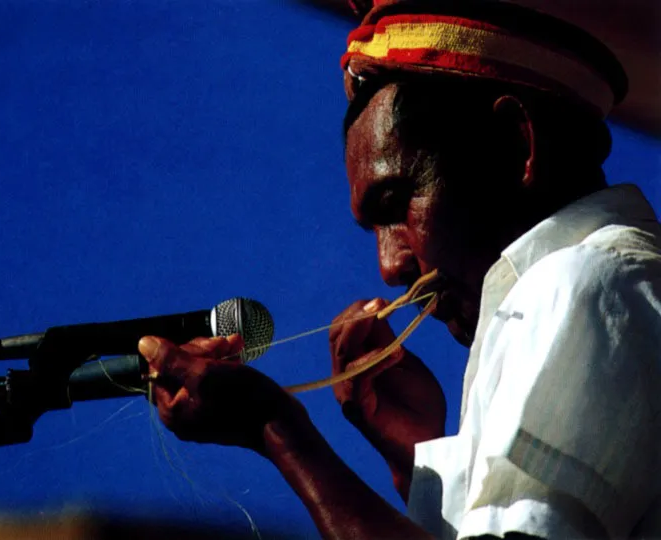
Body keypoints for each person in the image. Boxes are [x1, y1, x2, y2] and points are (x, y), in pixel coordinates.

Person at [138, 1, 661, 538]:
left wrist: (276, 431)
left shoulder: (586, 284)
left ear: (516, 145)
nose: (390, 267)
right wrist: (415, 461)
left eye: (398, 203)